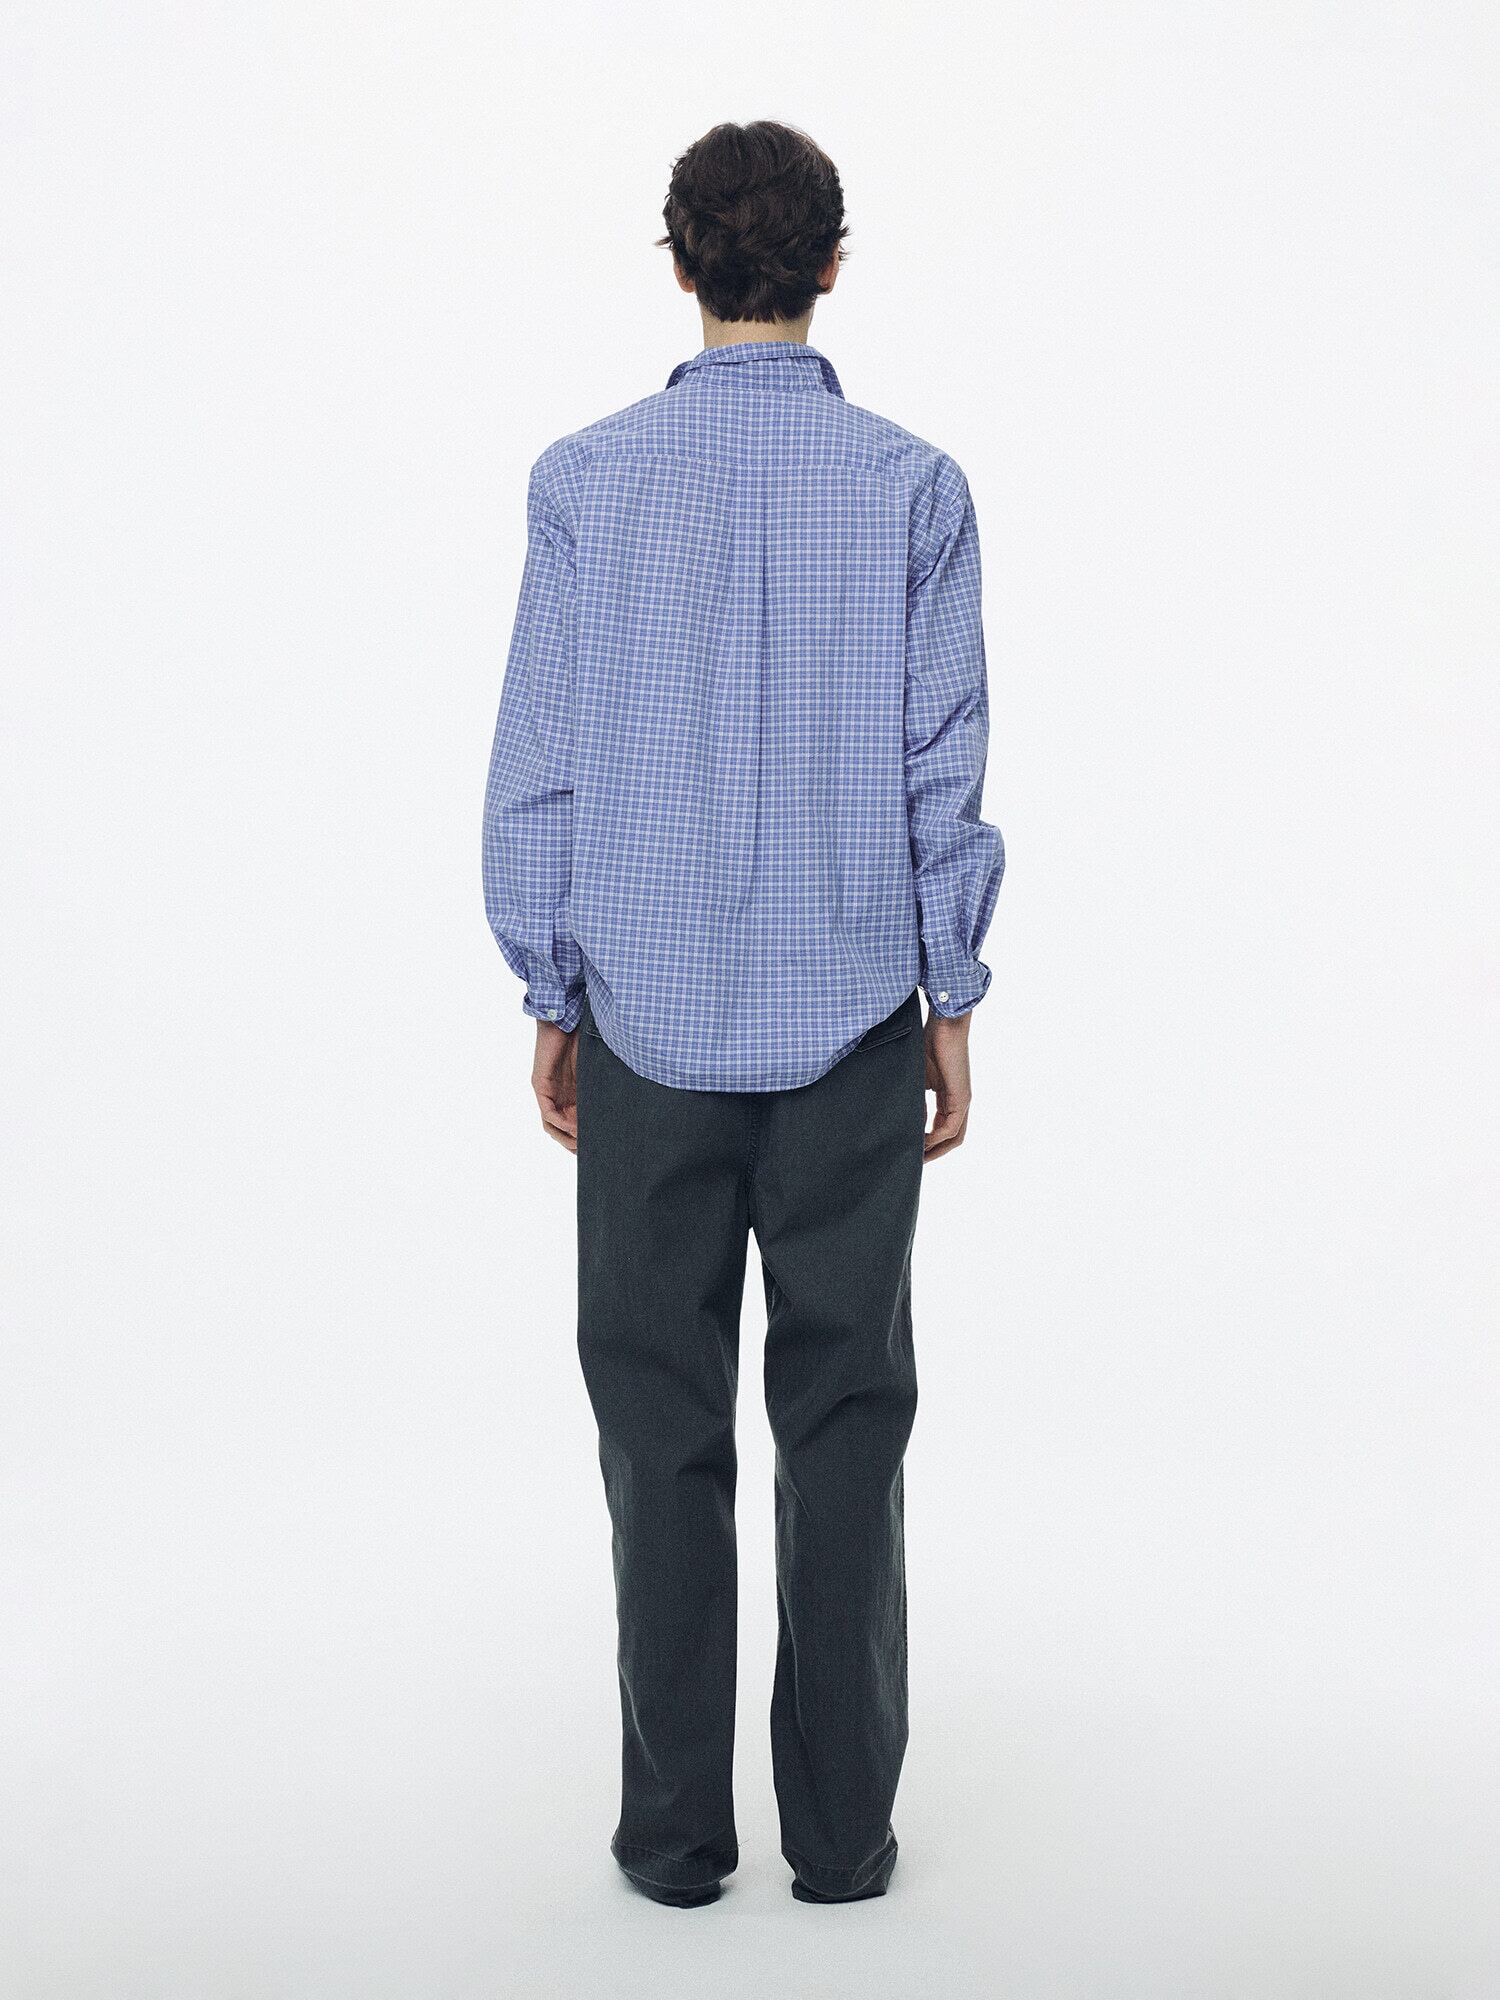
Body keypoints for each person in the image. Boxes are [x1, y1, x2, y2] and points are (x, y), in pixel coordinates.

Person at [482, 119, 1004, 1908]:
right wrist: (952, 994)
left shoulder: (584, 483)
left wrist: (550, 986)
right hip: (854, 1025)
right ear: (833, 266)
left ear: (679, 261)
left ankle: (674, 1841)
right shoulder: (915, 488)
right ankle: (843, 1842)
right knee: (846, 1428)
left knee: (660, 1433)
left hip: (644, 1031)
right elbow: (943, 765)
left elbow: (539, 764)